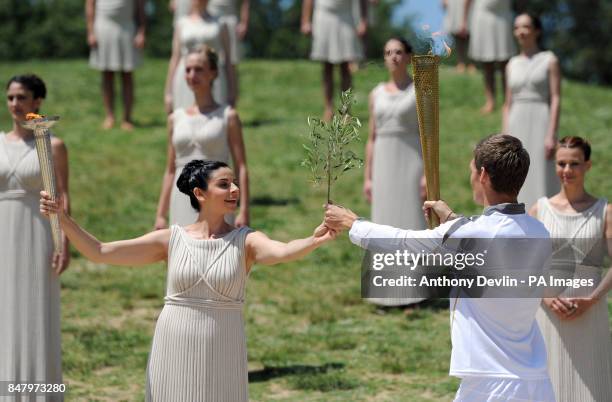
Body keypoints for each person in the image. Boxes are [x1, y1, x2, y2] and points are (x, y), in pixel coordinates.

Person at [40, 159, 337, 401]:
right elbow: (101, 251)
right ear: (200, 193)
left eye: (234, 183)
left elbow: (283, 251)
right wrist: (63, 219)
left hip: (224, 344)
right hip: (175, 342)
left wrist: (314, 240)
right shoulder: (171, 240)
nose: (234, 189)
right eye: (224, 184)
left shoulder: (245, 240)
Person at [325, 134, 556, 402]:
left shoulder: (468, 234)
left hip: (489, 383)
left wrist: (352, 222)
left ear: (482, 175)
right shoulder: (540, 232)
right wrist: (451, 220)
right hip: (535, 380)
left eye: (472, 169)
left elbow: (404, 243)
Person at [0, 74, 70, 400]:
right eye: (11, 97)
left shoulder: (51, 145)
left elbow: (63, 199)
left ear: (37, 102)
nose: (15, 104)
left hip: (38, 235)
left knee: (36, 312)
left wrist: (63, 242)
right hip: (4, 235)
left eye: (22, 97)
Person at [529, 136, 612, 402]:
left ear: (587, 165)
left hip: (590, 314)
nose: (566, 171)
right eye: (561, 163)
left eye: (574, 164)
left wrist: (592, 300)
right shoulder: (539, 210)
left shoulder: (605, 212)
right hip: (547, 314)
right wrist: (547, 297)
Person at [155, 45, 249, 229]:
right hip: (181, 197)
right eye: (188, 70)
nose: (192, 75)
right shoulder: (175, 118)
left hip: (218, 196)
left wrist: (244, 209)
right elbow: (170, 170)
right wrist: (160, 215)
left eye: (199, 69)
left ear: (213, 73)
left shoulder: (228, 116)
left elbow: (241, 166)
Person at [363, 37, 426, 307]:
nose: (394, 57)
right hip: (384, 164)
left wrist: (427, 174)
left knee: (411, 223)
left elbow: (428, 136)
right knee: (384, 224)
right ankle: (385, 294)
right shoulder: (375, 93)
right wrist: (368, 177)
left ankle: (413, 293)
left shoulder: (420, 91)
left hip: (411, 161)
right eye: (388, 52)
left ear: (409, 56)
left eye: (399, 52)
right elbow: (371, 137)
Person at [503, 13, 560, 208]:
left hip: (541, 120)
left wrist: (551, 135)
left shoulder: (549, 59)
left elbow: (555, 98)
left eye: (526, 27)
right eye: (517, 27)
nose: (521, 31)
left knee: (541, 171)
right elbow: (507, 103)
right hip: (516, 120)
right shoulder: (511, 64)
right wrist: (504, 137)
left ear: (537, 31)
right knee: (516, 173)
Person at [165, 0, 236, 113]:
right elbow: (175, 58)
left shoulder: (221, 23)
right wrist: (168, 93)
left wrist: (232, 92)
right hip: (186, 79)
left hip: (214, 80)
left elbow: (228, 60)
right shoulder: (182, 23)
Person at [301, 0, 367, 120]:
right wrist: (305, 21)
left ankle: (346, 111)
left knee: (346, 68)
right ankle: (328, 109)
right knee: (327, 67)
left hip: (346, 16)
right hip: (323, 15)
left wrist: (362, 20)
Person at [87, 0, 146, 130]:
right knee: (107, 74)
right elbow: (90, 6)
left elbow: (141, 8)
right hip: (103, 28)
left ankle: (127, 118)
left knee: (127, 75)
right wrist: (91, 32)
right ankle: (110, 116)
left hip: (127, 29)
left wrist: (141, 32)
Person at [466, 0, 515, 114]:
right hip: (483, 16)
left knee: (506, 64)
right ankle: (490, 101)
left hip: (504, 16)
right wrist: (464, 20)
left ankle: (508, 101)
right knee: (487, 63)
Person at [207, 0, 250, 103]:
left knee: (231, 61)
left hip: (229, 19)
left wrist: (244, 22)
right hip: (210, 20)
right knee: (208, 60)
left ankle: (231, 98)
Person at [442, 0, 475, 73]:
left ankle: (471, 64)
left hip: (467, 6)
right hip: (454, 5)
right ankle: (461, 63)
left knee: (469, 34)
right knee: (457, 33)